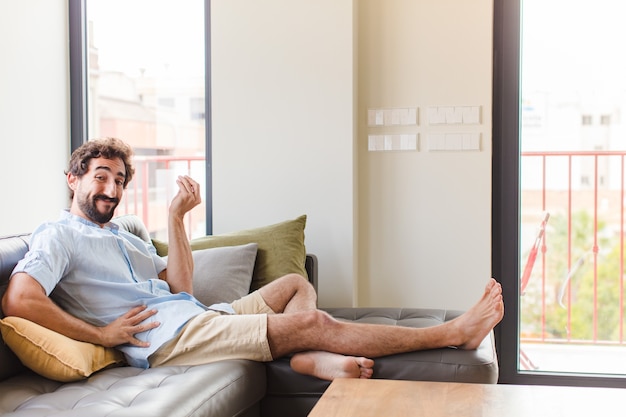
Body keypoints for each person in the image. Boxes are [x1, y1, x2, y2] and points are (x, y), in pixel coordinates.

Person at [2, 137, 504, 381]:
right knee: (314, 318)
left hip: (196, 316)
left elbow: (180, 286)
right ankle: (452, 333)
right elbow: (19, 298)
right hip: (169, 340)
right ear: (74, 179)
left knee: (290, 282)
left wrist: (177, 219)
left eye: (118, 180)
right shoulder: (58, 235)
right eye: (100, 177)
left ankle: (307, 357)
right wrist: (101, 335)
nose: (110, 189)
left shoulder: (122, 237)